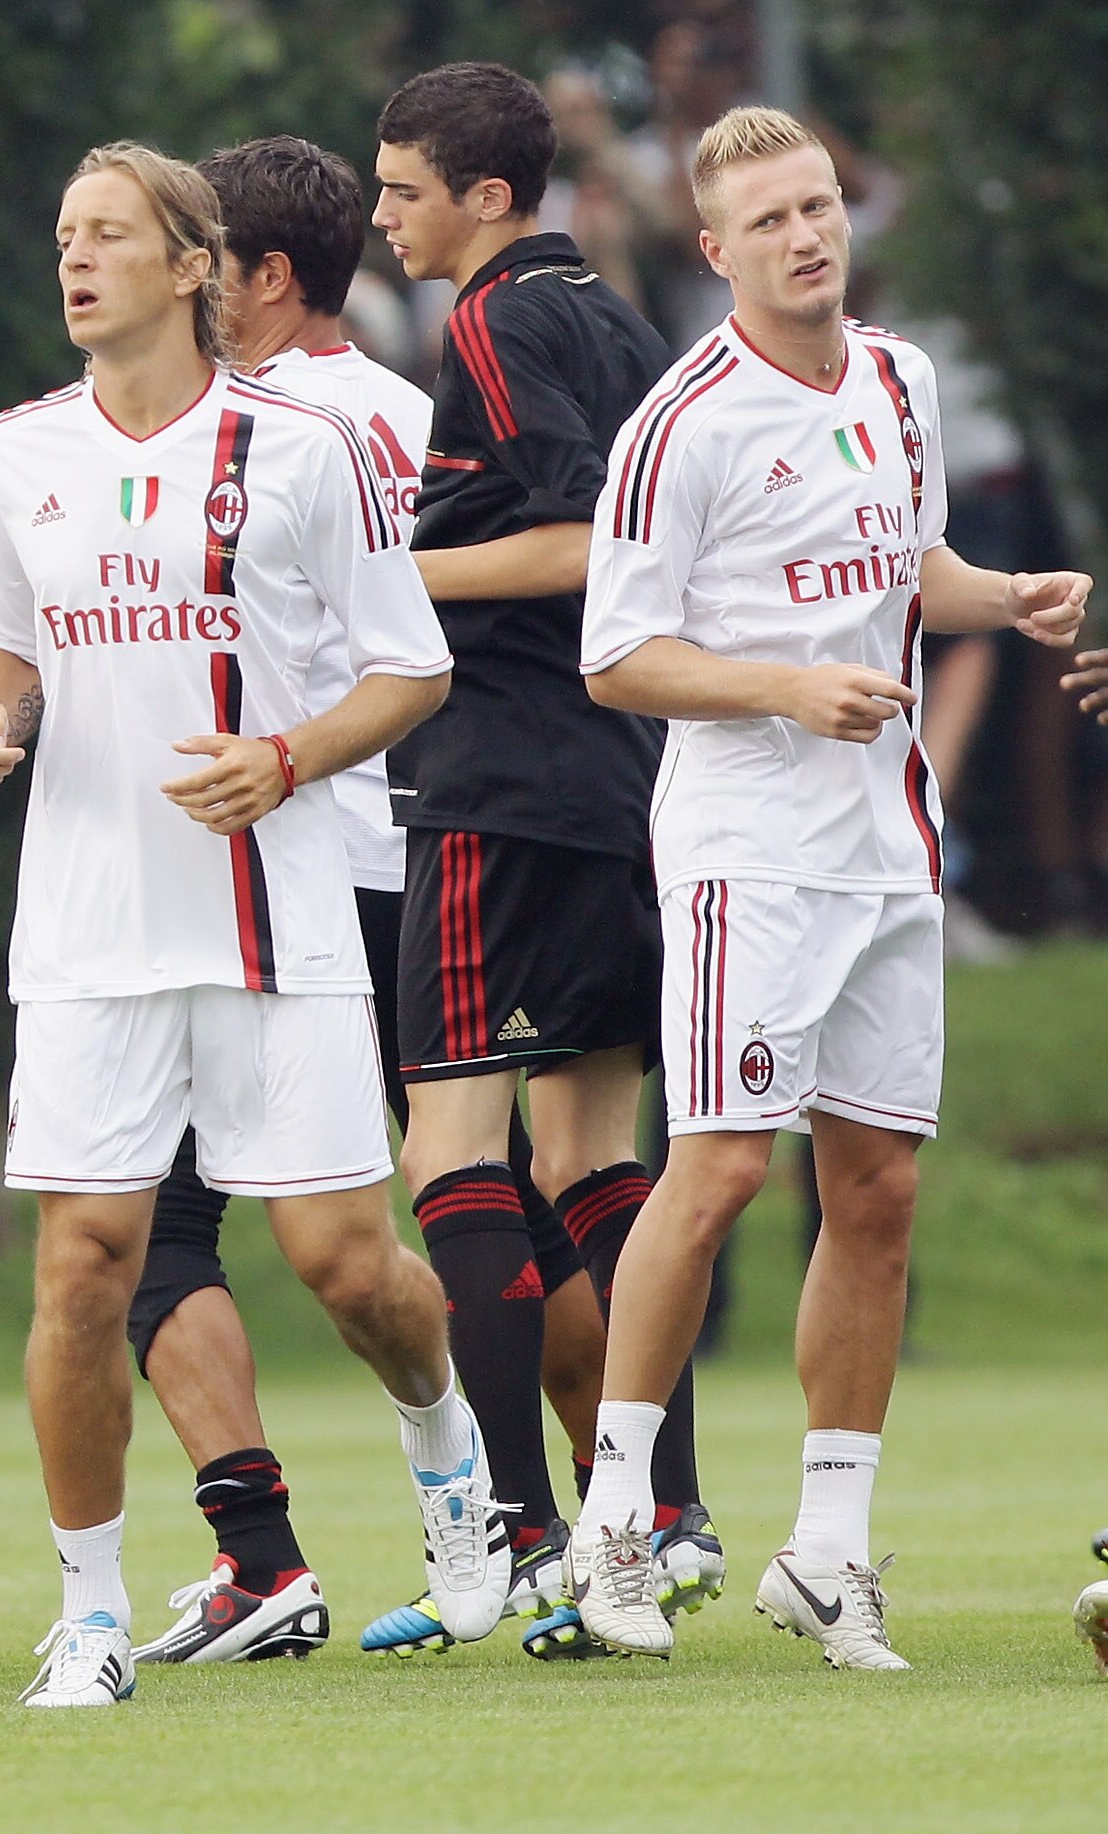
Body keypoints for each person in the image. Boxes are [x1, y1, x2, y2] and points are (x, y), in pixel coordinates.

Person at [0, 141, 496, 1711]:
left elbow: (412, 670)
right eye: (63, 235)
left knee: (346, 1260)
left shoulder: (304, 448)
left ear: (193, 265)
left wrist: (287, 757)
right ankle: (91, 1613)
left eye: (109, 234)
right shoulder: (16, 455)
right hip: (92, 932)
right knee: (84, 1269)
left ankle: (442, 1435)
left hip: (278, 922)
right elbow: (7, 656)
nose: (76, 259)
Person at [566, 107, 1089, 1666]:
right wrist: (788, 690)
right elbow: (616, 656)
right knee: (719, 1170)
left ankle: (830, 1550)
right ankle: (613, 1532)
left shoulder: (901, 378)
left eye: (821, 206)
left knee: (877, 1191)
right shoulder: (681, 423)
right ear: (715, 250)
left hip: (888, 843)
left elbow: (912, 572)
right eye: (771, 219)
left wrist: (1010, 596)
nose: (808, 235)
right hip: (747, 843)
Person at [123, 134, 589, 1667]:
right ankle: (619, 1519)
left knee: (159, 1230)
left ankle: (275, 1555)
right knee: (497, 1203)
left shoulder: (232, 432)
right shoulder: (417, 410)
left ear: (251, 276)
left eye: (193, 252)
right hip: (435, 853)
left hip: (290, 858)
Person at [370, 62, 721, 1642]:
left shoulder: (497, 321)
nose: (385, 216)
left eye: (403, 190)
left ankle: (515, 1522)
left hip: (503, 784)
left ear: (486, 200)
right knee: (589, 1158)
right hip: (622, 786)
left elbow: (591, 543)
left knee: (451, 1153)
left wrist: (396, 575)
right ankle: (665, 1512)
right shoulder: (624, 321)